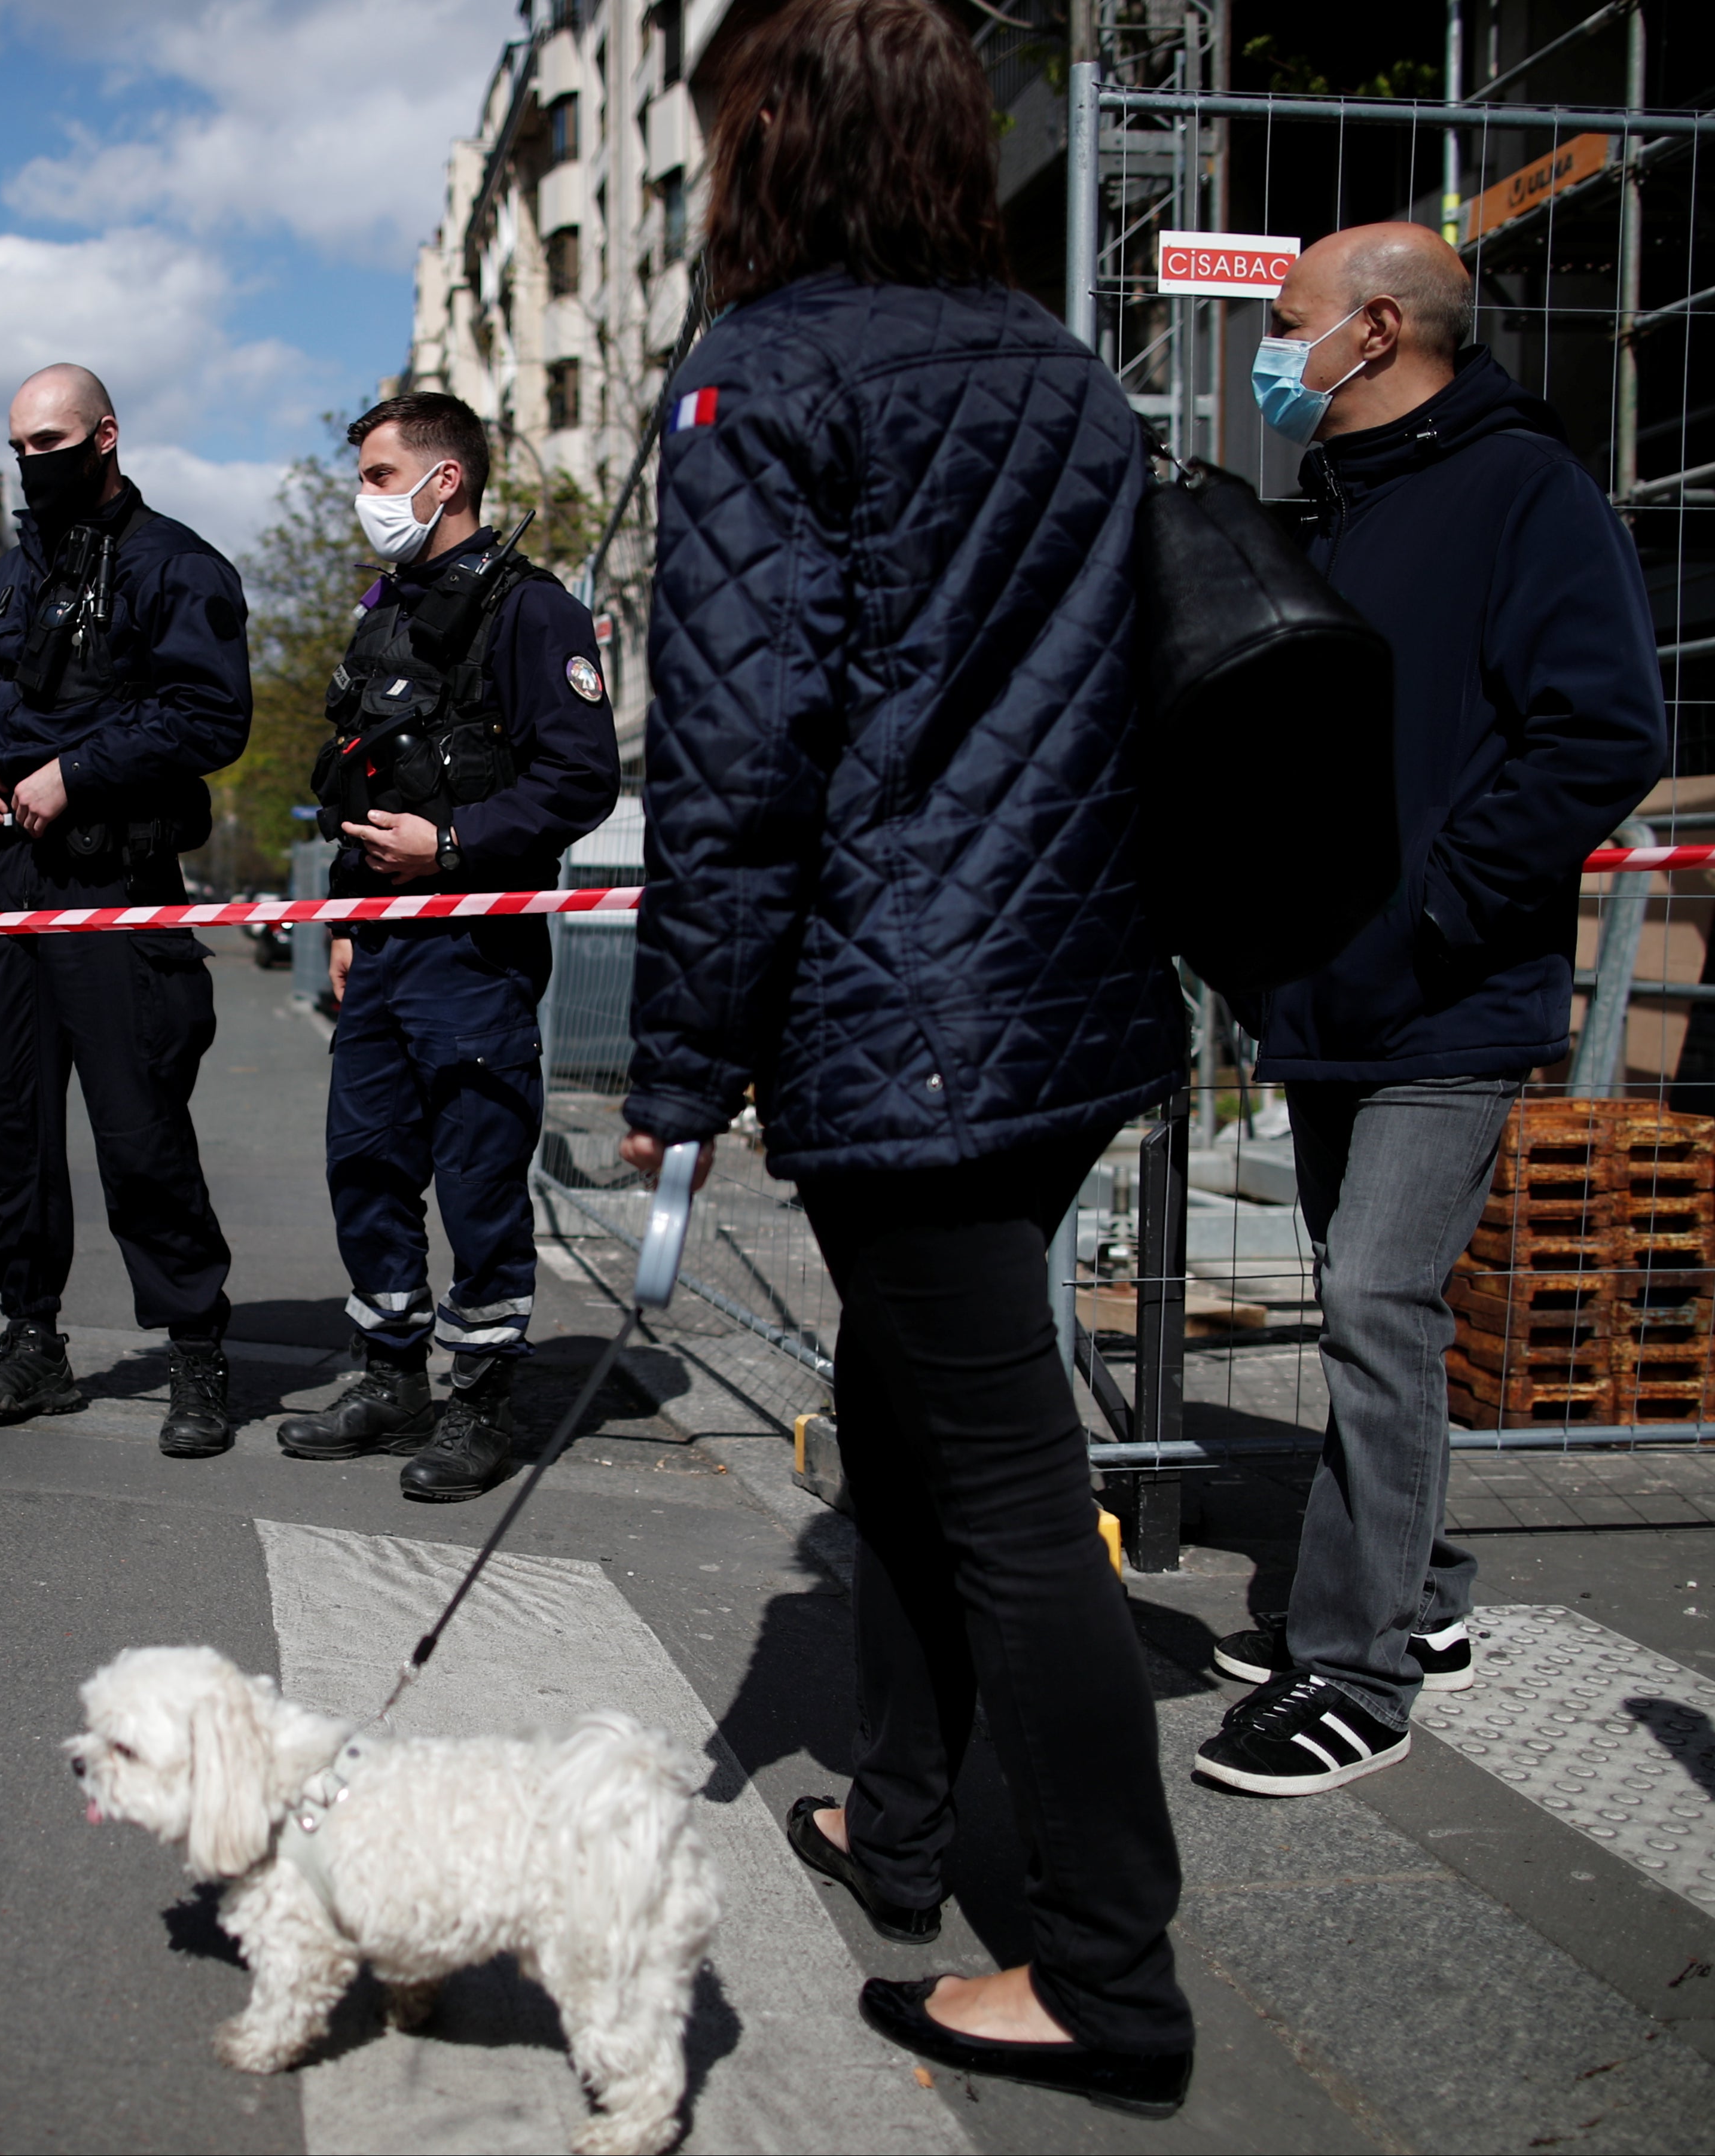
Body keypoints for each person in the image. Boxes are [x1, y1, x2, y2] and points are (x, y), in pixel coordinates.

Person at [621, 0, 1195, 2114]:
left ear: (776, 139)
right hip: (1061, 993)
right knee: (905, 1412)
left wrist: (680, 1058)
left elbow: (738, 756)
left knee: (1014, 1487)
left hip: (906, 1013)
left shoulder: (759, 375)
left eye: (708, 143)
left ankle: (1109, 1978)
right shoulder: (1059, 367)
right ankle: (904, 1818)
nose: (697, 184)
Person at [1198, 224, 1667, 1796]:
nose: (1270, 349)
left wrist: (1445, 905)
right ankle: (1429, 1587)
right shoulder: (1330, 506)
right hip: (1326, 991)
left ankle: (1355, 1665)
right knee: (1363, 1291)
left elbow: (1602, 724)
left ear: (1377, 327)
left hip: (1450, 996)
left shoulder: (1524, 491)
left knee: (1376, 1299)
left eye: (1287, 322)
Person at [274, 393, 616, 1498]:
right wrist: (341, 913)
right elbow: (361, 774)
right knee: (365, 1166)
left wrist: (455, 842)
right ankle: (390, 1375)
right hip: (381, 945)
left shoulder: (532, 614)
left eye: (379, 475)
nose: (363, 498)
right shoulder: (385, 612)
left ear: (445, 481)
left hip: (473, 945)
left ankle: (481, 1400)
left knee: (475, 1179)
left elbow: (579, 778)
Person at [0, 364, 250, 1454]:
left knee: (139, 1125)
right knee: (10, 1124)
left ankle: (196, 1351)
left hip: (110, 883)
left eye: (51, 442)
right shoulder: (18, 565)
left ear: (105, 436)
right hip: (4, 885)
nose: (32, 463)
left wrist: (81, 771)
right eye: (18, 445)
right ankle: (33, 1342)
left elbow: (211, 717)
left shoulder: (178, 565)